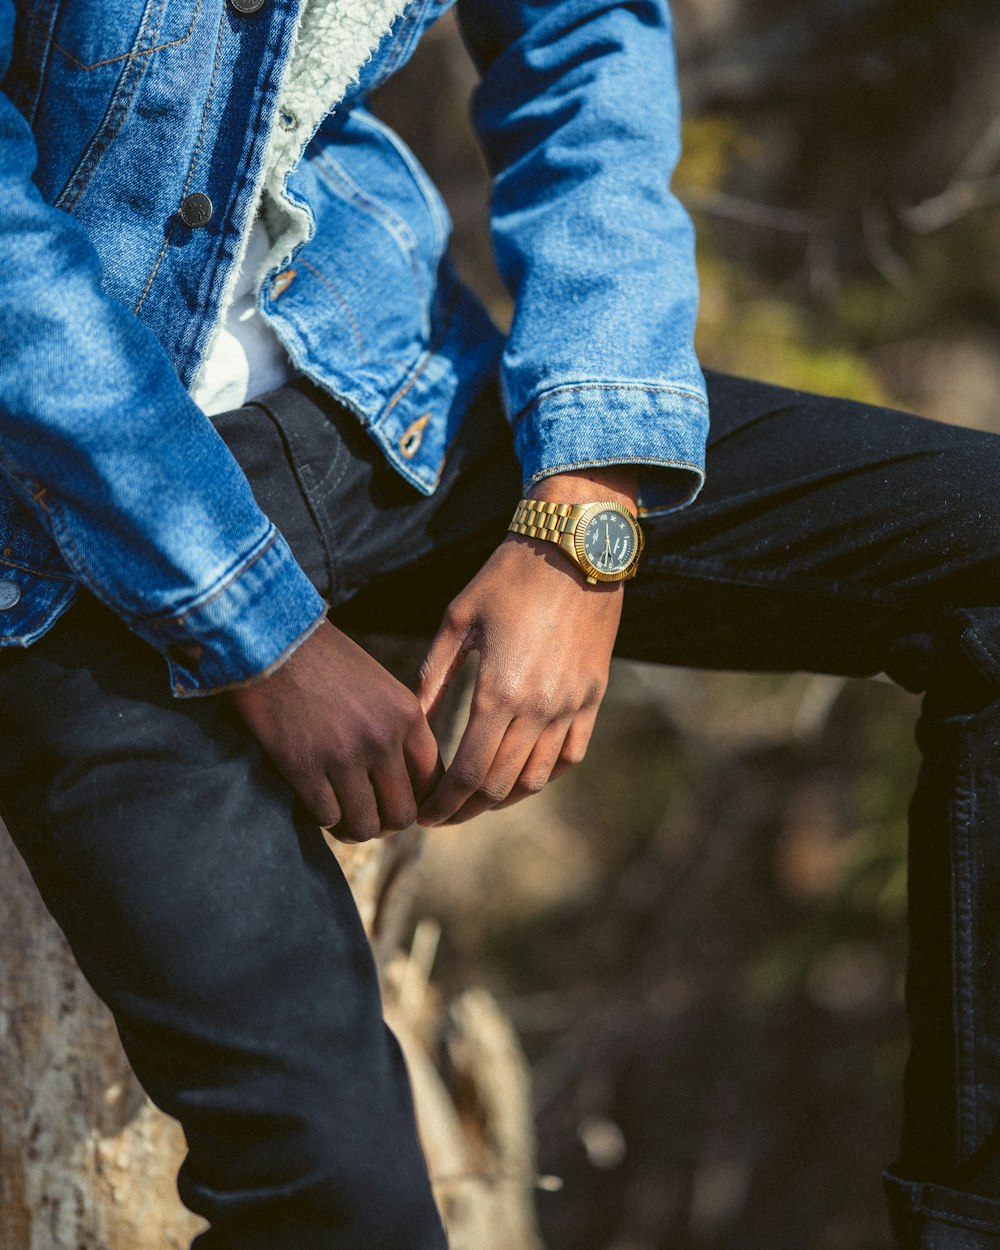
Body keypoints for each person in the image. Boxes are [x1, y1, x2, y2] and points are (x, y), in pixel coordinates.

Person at [1, 0, 999, 1245]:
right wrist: (258, 626)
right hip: (54, 528)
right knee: (336, 1196)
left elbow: (582, 41)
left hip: (372, 382)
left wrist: (585, 503)